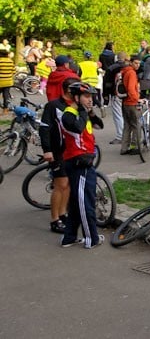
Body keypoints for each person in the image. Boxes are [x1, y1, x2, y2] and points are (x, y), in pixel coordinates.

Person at [58, 80, 105, 248]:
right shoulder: (69, 114)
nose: (90, 100)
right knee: (86, 202)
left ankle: (69, 237)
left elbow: (99, 125)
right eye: (86, 96)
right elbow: (77, 128)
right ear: (76, 97)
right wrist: (84, 113)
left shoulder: (84, 113)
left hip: (85, 161)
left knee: (77, 202)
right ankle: (91, 238)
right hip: (79, 163)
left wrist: (91, 113)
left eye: (91, 96)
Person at [40, 78, 75, 233]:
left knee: (67, 184)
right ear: (68, 90)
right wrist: (47, 149)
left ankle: (63, 213)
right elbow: (45, 128)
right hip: (57, 150)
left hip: (71, 150)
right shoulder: (53, 106)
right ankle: (55, 219)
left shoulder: (75, 105)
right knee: (60, 184)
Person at [116, 53, 142, 156]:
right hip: (132, 103)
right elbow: (131, 89)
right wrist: (137, 99)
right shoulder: (131, 73)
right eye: (135, 63)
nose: (137, 65)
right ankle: (135, 146)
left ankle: (124, 148)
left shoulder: (124, 71)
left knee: (127, 125)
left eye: (139, 63)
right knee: (136, 125)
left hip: (125, 102)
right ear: (131, 62)